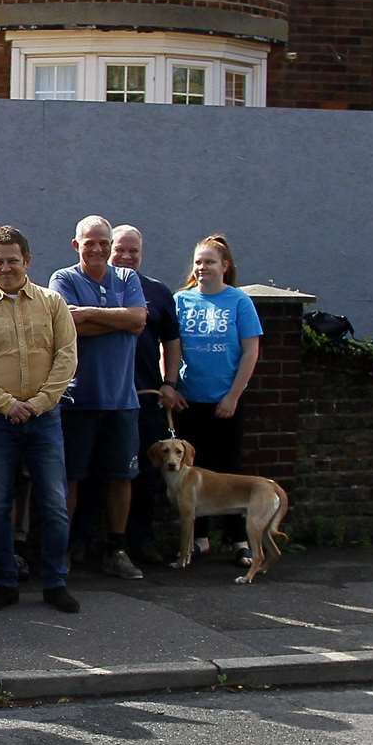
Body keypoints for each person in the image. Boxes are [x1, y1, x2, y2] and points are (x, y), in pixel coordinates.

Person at [0, 227, 80, 615]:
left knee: (54, 503)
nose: (5, 267)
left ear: (27, 261)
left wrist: (42, 401)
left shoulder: (52, 303)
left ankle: (55, 582)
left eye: (12, 260)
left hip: (46, 418)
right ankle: (4, 582)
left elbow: (67, 355)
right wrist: (6, 403)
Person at [49, 215, 148, 581]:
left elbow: (139, 319)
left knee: (121, 477)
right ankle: (64, 549)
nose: (98, 249)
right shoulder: (63, 279)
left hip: (122, 399)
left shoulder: (127, 277)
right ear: (77, 245)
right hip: (77, 399)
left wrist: (90, 313)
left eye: (103, 242)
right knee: (70, 477)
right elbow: (67, 325)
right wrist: (117, 320)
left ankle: (116, 549)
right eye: (90, 242)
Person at [173, 234, 262, 566]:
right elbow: (169, 347)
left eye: (210, 261)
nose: (203, 267)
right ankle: (199, 538)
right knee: (192, 472)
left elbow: (251, 350)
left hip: (224, 401)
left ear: (225, 266)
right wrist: (171, 386)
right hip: (188, 401)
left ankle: (239, 539)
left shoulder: (238, 302)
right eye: (198, 261)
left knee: (229, 470)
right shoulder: (181, 301)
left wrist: (233, 395)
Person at [111, 224, 183, 565]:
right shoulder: (96, 286)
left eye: (133, 251)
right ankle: (101, 543)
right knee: (103, 472)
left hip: (146, 396)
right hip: (105, 396)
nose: (126, 256)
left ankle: (142, 541)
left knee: (146, 475)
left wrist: (170, 382)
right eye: (120, 249)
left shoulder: (157, 292)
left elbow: (171, 340)